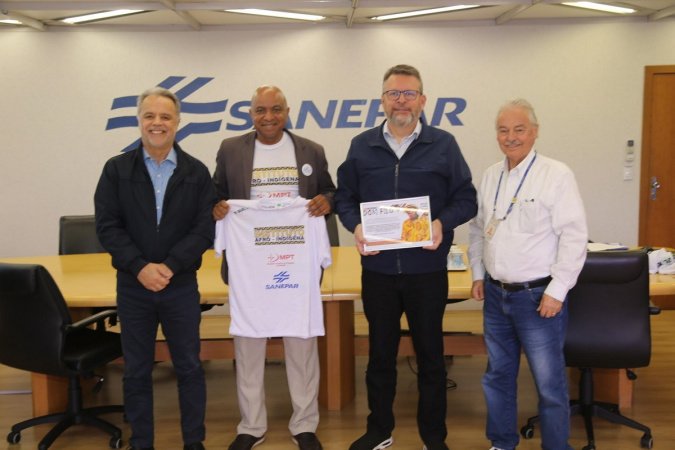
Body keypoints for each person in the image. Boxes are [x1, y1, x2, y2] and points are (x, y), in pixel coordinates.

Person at [335, 64, 477, 450]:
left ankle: (434, 436)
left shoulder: (443, 144)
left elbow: (466, 198)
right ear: (382, 101)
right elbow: (345, 197)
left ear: (422, 100)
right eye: (394, 94)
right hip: (378, 272)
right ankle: (379, 430)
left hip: (426, 271)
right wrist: (356, 226)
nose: (401, 101)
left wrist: (441, 223)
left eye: (409, 93)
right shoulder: (361, 145)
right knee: (380, 357)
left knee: (431, 357)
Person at [212, 85, 335, 450]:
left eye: (276, 109)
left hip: (295, 264)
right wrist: (216, 207)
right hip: (250, 266)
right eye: (261, 110)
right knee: (248, 347)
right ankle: (251, 426)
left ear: (287, 111)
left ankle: (305, 424)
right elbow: (215, 193)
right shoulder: (230, 149)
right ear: (251, 114)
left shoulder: (311, 150)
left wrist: (326, 201)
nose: (269, 117)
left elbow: (331, 191)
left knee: (302, 344)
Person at [94, 87, 214, 450]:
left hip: (180, 286)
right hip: (134, 286)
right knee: (136, 370)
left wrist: (171, 266)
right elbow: (108, 227)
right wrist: (140, 267)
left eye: (165, 116)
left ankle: (194, 442)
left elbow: (204, 229)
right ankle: (141, 442)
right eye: (149, 116)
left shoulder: (196, 172)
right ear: (139, 121)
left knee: (189, 367)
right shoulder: (116, 170)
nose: (157, 123)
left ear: (177, 122)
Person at [467, 98, 588, 450]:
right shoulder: (491, 175)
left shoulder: (556, 175)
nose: (511, 137)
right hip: (495, 295)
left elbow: (574, 236)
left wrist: (558, 290)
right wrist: (478, 273)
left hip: (538, 298)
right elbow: (478, 229)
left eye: (519, 129)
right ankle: (502, 443)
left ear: (535, 132)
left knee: (549, 384)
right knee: (497, 376)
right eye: (503, 130)